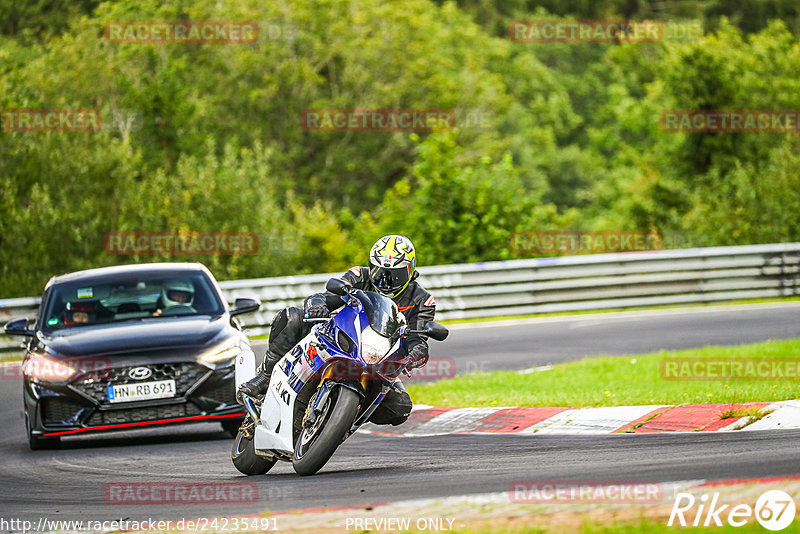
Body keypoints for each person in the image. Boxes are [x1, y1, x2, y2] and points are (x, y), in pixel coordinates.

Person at [238, 234, 436, 426]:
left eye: (394, 275)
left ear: (410, 271)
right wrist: (316, 304)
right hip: (343, 334)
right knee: (291, 317)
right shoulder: (360, 275)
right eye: (379, 272)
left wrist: (413, 356)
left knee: (400, 407)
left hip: (381, 357)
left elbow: (419, 339)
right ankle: (265, 376)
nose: (385, 281)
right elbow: (330, 294)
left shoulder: (422, 300)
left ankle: (344, 416)